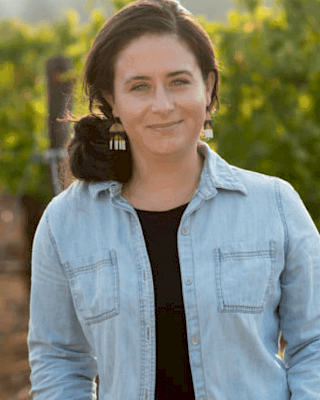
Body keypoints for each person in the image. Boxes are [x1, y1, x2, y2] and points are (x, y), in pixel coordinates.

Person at [28, 0, 320, 398]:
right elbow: (58, 360)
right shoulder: (65, 223)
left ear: (209, 87)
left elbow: (315, 344)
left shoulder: (275, 206)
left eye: (179, 81)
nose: (162, 105)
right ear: (112, 101)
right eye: (139, 86)